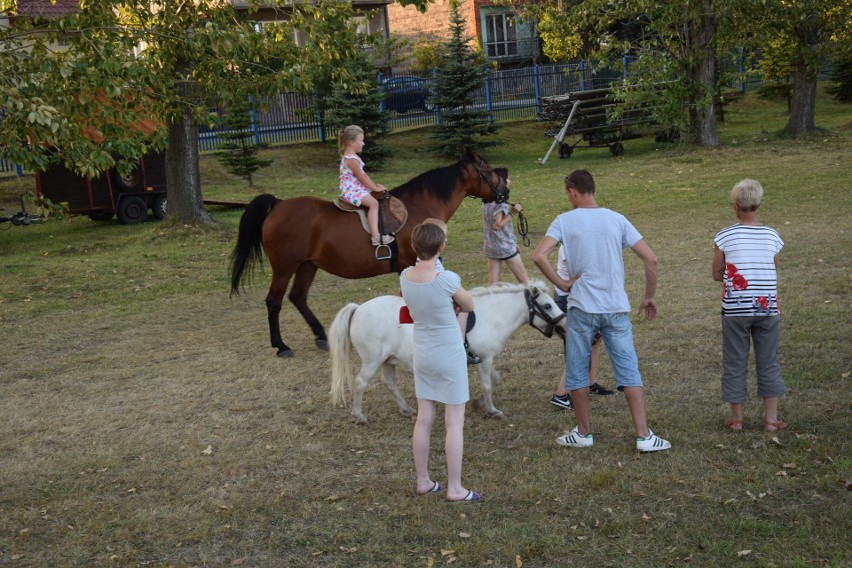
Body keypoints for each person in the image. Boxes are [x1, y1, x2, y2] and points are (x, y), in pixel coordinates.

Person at [532, 169, 671, 453]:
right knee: (628, 370)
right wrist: (649, 297)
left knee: (577, 370)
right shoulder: (617, 219)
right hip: (615, 308)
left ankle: (584, 433)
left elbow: (538, 255)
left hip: (581, 309)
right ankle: (644, 437)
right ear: (593, 189)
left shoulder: (563, 221)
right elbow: (651, 259)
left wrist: (561, 283)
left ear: (572, 191)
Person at [400, 222, 482, 502]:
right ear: (442, 247)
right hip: (448, 353)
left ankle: (423, 480)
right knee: (454, 423)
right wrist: (455, 307)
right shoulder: (447, 279)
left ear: (414, 247)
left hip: (422, 353)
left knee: (424, 418)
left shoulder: (404, 276)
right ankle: (455, 487)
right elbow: (469, 304)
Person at [712, 179, 787, 432]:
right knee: (768, 361)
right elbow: (774, 265)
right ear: (758, 203)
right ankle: (771, 420)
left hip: (735, 310)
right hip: (767, 308)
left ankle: (737, 420)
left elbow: (716, 272)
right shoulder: (772, 235)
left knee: (735, 361)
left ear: (735, 206)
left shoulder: (724, 236)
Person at [550, 246, 613, 410]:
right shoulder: (570, 246)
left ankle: (590, 382)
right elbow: (578, 277)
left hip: (581, 296)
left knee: (596, 339)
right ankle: (561, 394)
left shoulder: (578, 240)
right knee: (580, 346)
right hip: (571, 299)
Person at [422, 218, 481, 365]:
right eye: (444, 237)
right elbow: (441, 283)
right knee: (465, 309)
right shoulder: (437, 265)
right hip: (436, 301)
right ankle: (460, 346)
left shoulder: (419, 261)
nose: (446, 240)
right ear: (438, 243)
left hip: (426, 297)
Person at [338, 125, 394, 246]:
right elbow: (362, 178)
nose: (363, 143)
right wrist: (374, 188)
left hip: (356, 188)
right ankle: (376, 237)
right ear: (352, 142)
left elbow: (364, 175)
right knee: (373, 204)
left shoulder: (353, 158)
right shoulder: (352, 159)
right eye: (361, 140)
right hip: (352, 191)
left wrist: (375, 186)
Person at [482, 168, 529, 287]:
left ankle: (490, 304)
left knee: (492, 285)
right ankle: (535, 304)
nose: (509, 180)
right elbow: (497, 225)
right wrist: (513, 212)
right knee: (526, 282)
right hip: (505, 246)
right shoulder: (500, 203)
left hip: (491, 246)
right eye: (507, 178)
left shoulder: (486, 201)